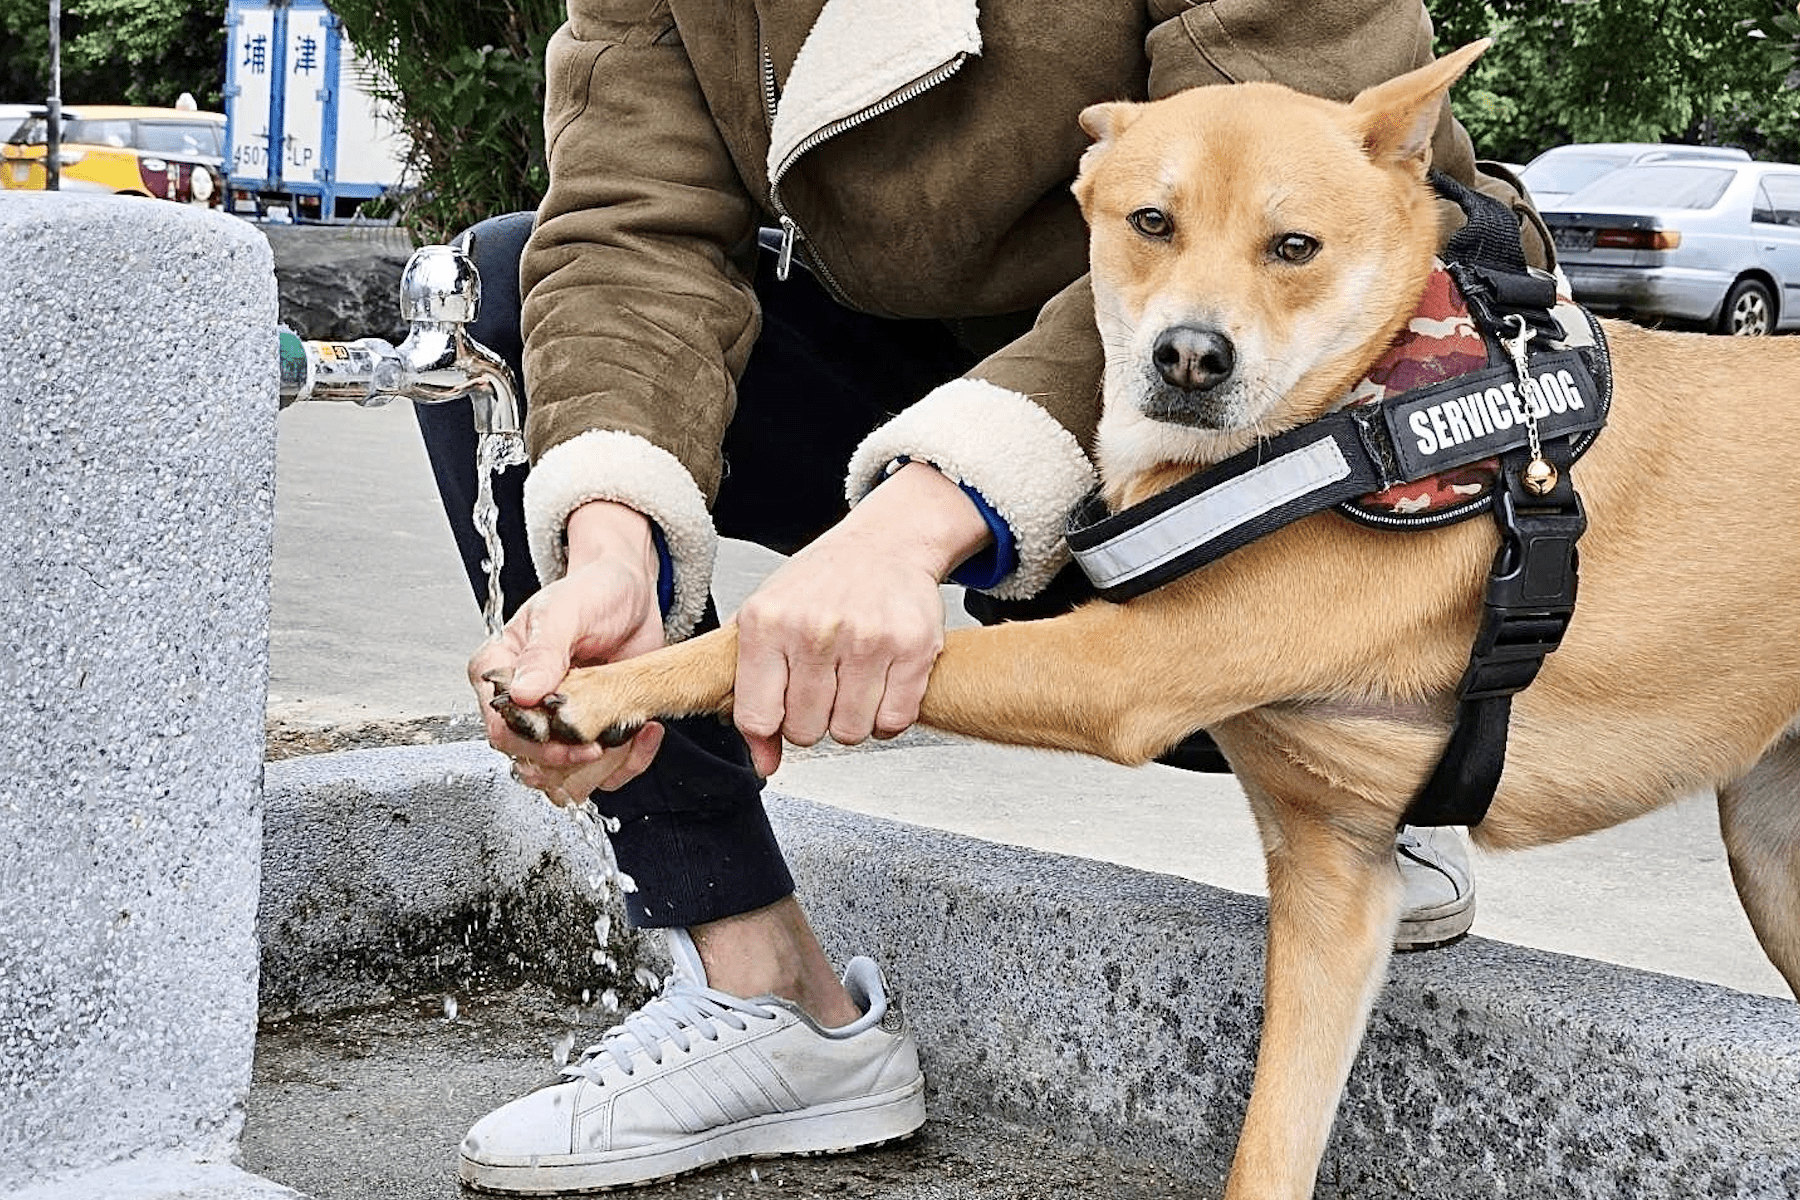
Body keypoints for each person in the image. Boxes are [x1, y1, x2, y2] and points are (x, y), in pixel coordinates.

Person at [418, 1, 1540, 1192]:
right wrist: (613, 545)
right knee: (486, 301)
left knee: (1247, 356)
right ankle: (767, 988)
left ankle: (1371, 766)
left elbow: (1285, 190)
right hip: (942, 361)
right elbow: (627, 228)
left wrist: (915, 521)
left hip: (1310, 414)